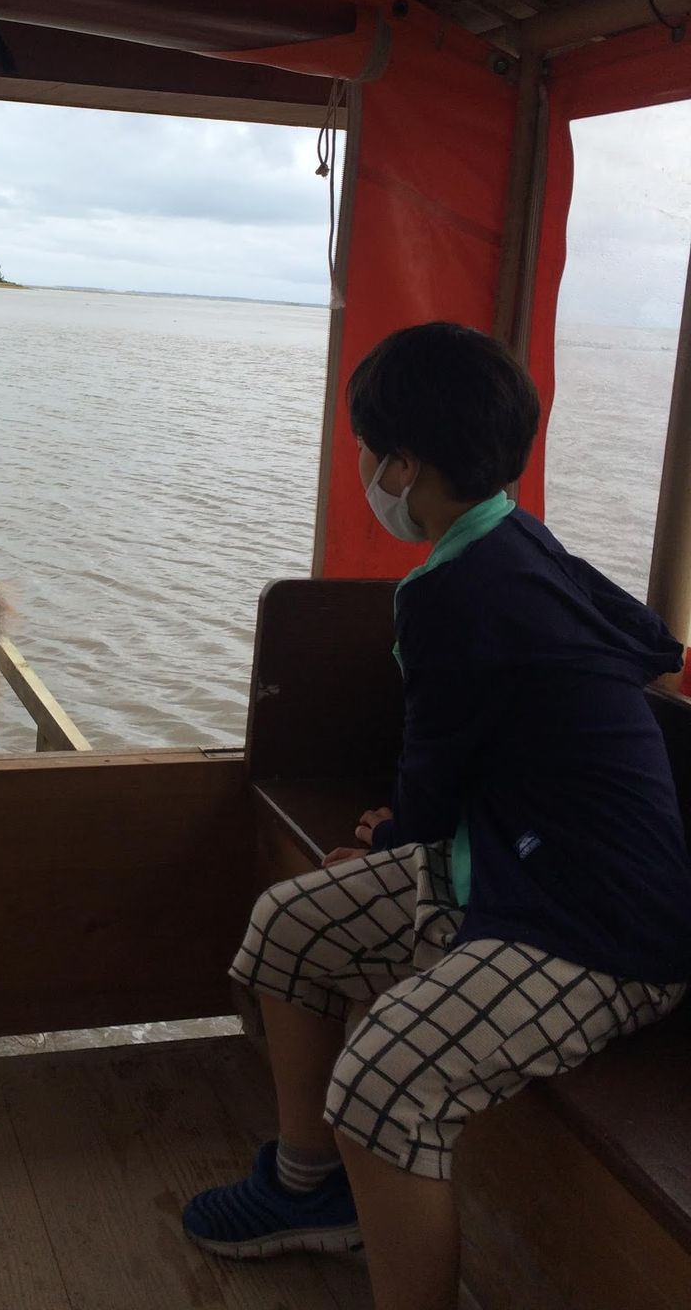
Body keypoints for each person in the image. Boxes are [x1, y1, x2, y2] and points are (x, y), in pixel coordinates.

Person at [182, 322, 691, 1310]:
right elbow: (645, 639)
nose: (368, 469)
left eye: (371, 451)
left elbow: (433, 761)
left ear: (405, 465)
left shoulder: (455, 591)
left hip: (605, 926)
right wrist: (415, 835)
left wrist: (407, 834)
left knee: (382, 1086)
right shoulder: (513, 538)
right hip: (517, 852)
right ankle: (307, 1187)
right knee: (289, 928)